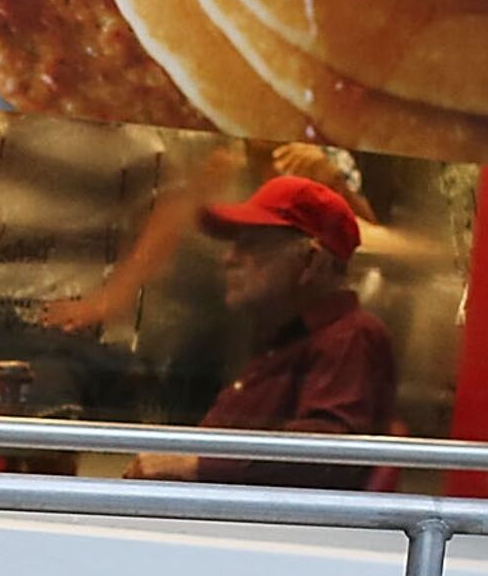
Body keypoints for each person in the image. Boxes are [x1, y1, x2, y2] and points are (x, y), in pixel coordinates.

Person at [128, 172, 397, 487]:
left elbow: (326, 456)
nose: (229, 258)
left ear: (311, 261)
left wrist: (195, 465)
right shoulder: (284, 341)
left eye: (251, 245)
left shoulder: (350, 336)